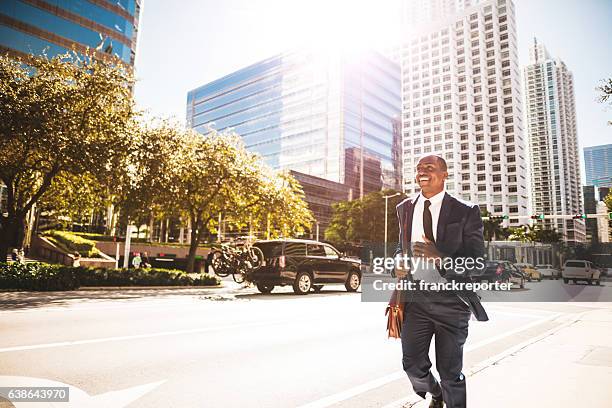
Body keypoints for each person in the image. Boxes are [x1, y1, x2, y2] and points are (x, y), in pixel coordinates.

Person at [392, 155, 488, 408]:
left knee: (451, 373)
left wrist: (441, 257)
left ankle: (448, 395)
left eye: (430, 168)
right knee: (412, 365)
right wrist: (398, 262)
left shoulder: (465, 211)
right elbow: (400, 248)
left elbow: (477, 263)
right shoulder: (404, 208)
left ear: (445, 174)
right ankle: (436, 393)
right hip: (416, 299)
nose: (422, 172)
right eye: (419, 168)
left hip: (453, 302)